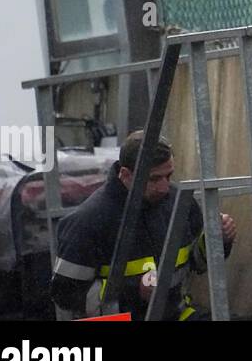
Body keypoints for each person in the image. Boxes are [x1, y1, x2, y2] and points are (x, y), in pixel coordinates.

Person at [50, 131, 236, 320]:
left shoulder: (180, 203)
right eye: (154, 179)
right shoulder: (87, 221)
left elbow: (196, 263)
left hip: (172, 314)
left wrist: (217, 239)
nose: (164, 187)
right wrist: (132, 291)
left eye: (169, 176)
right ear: (125, 174)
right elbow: (66, 296)